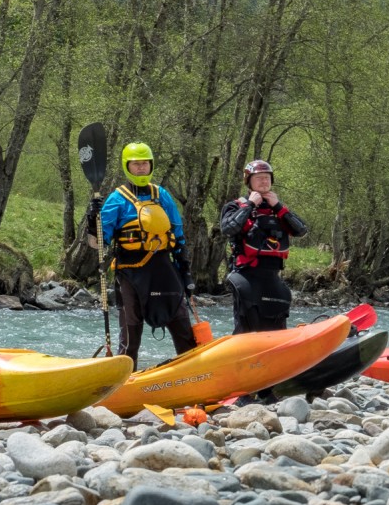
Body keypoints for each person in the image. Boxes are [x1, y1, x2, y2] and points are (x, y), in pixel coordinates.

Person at [100, 142, 198, 368]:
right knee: (131, 335)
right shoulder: (116, 199)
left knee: (182, 326)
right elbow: (97, 243)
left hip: (164, 269)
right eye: (136, 164)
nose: (141, 168)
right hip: (131, 273)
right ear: (128, 167)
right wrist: (91, 219)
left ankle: (192, 371)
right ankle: (125, 378)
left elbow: (178, 234)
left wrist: (186, 273)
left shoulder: (161, 194)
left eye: (145, 164)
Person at [219, 159, 308, 334]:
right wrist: (250, 204)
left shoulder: (278, 210)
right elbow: (228, 228)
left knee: (277, 322)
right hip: (246, 275)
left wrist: (279, 207)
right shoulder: (235, 206)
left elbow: (301, 230)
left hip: (272, 277)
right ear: (249, 181)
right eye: (259, 177)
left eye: (267, 177)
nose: (264, 181)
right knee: (248, 324)